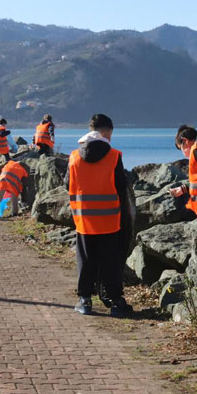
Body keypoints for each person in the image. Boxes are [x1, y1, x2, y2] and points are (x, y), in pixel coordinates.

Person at [67, 114, 133, 317]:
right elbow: (121, 187)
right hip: (110, 219)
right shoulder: (114, 156)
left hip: (84, 219)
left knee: (85, 260)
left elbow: (66, 184)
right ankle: (116, 302)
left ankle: (85, 300)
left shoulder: (74, 157)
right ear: (106, 133)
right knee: (110, 261)